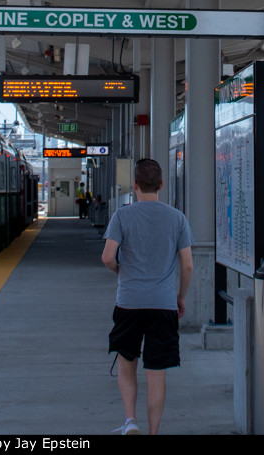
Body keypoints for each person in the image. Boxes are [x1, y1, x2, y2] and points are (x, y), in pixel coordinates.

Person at [101, 159, 193, 435]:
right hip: (163, 305)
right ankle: (153, 432)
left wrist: (120, 272)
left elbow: (107, 257)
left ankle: (130, 421)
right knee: (157, 372)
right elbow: (187, 264)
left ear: (135, 186)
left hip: (129, 302)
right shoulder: (177, 218)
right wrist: (181, 297)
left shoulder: (122, 216)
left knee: (127, 363)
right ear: (161, 185)